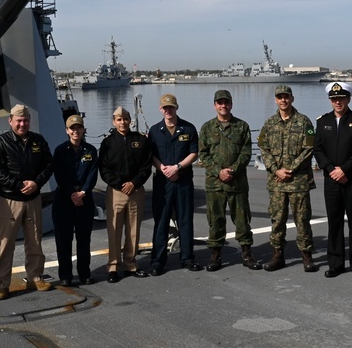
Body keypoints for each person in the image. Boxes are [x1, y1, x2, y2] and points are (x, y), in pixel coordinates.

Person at [0, 103, 54, 299]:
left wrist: (36, 183)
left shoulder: (38, 141)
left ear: (29, 121)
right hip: (10, 200)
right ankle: (1, 284)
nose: (22, 124)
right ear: (10, 121)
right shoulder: (0, 143)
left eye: (25, 120)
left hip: (33, 199)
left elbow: (49, 165)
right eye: (18, 120)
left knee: (34, 240)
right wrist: (18, 184)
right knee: (5, 243)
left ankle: (35, 278)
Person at [313, 82, 352, 279]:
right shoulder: (322, 122)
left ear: (348, 99)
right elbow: (318, 149)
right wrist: (331, 169)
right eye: (334, 99)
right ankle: (336, 263)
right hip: (331, 180)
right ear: (330, 100)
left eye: (341, 98)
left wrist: (344, 169)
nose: (337, 102)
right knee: (335, 222)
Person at [197, 89, 262, 271]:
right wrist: (219, 172)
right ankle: (215, 256)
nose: (223, 105)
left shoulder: (242, 126)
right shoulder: (207, 127)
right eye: (220, 102)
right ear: (215, 105)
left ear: (231, 104)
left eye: (226, 102)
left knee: (242, 220)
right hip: (215, 183)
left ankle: (247, 254)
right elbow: (203, 154)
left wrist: (231, 170)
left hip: (237, 182)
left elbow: (246, 152)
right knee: (215, 220)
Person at [257, 85, 317, 272]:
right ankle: (277, 255)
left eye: (286, 97)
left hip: (298, 181)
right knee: (277, 219)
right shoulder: (269, 124)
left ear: (292, 98)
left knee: (302, 219)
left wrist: (289, 168)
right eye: (280, 97)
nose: (283, 100)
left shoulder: (304, 122)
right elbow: (263, 148)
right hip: (277, 182)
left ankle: (306, 255)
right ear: (276, 100)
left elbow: (309, 148)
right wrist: (276, 170)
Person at [147, 93, 202, 275]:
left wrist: (177, 167)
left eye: (171, 107)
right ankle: (157, 261)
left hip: (183, 180)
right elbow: (152, 155)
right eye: (165, 108)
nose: (168, 111)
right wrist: (163, 168)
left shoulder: (188, 129)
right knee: (161, 221)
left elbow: (194, 153)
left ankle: (187, 258)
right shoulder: (155, 131)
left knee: (185, 220)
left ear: (176, 108)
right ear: (160, 109)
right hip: (163, 182)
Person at [98, 106, 152, 283]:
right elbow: (104, 169)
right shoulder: (107, 143)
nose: (123, 122)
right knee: (114, 230)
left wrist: (134, 183)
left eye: (125, 119)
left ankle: (130, 264)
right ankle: (113, 266)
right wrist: (120, 184)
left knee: (133, 229)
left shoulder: (140, 140)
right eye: (119, 120)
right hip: (116, 192)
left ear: (130, 120)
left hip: (135, 190)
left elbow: (146, 166)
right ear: (114, 122)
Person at [51, 114, 99, 286]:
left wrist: (82, 193)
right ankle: (65, 275)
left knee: (84, 239)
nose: (75, 131)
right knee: (63, 240)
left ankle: (84, 273)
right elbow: (60, 175)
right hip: (64, 199)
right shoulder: (60, 151)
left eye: (78, 127)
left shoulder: (91, 151)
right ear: (67, 131)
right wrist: (73, 193)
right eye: (72, 128)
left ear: (83, 129)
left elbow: (92, 175)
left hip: (84, 199)